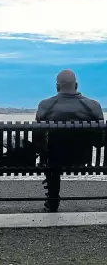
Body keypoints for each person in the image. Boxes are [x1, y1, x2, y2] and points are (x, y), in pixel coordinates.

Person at [35, 69, 104, 212]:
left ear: (57, 87)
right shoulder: (93, 106)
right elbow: (100, 141)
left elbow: (38, 137)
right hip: (83, 158)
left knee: (50, 159)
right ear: (76, 85)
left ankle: (53, 200)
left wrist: (42, 153)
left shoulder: (45, 105)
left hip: (54, 160)